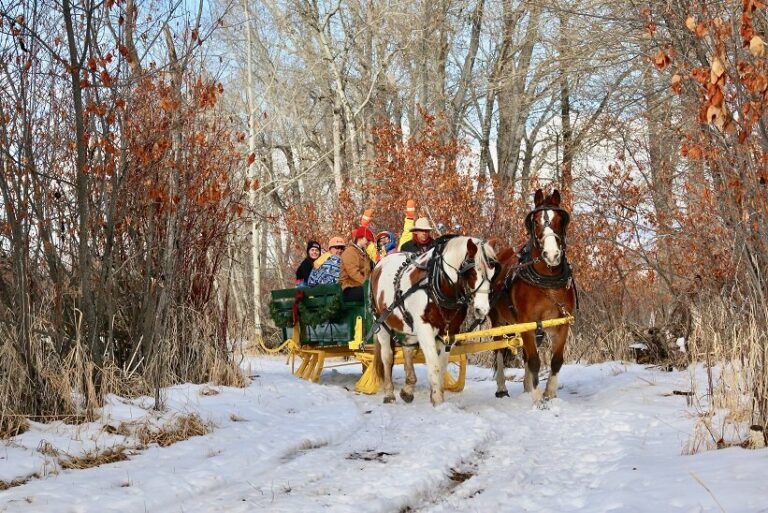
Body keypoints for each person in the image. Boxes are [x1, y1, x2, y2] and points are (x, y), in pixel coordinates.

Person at [340, 226, 374, 302]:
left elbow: (369, 269)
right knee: (373, 293)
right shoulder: (350, 252)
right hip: (350, 288)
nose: (368, 242)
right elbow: (354, 273)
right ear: (361, 238)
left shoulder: (364, 253)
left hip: (360, 287)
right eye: (367, 240)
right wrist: (367, 285)